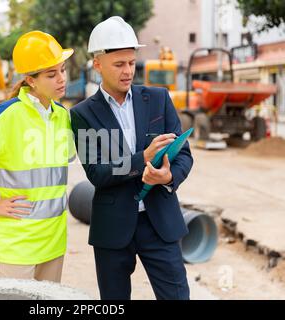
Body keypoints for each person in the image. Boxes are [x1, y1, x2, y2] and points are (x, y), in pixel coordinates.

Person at [70, 16, 193, 300]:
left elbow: (183, 155)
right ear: (97, 64)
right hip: (112, 228)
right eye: (119, 64)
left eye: (131, 63)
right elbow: (98, 172)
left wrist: (169, 176)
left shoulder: (159, 99)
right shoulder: (83, 114)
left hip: (159, 222)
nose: (128, 71)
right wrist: (142, 159)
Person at [0, 31, 75, 282]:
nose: (61, 79)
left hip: (53, 244)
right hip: (16, 249)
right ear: (31, 80)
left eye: (62, 70)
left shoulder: (61, 115)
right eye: (51, 74)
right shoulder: (9, 115)